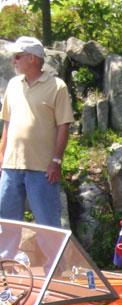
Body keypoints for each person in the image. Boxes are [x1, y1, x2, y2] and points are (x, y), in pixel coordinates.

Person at [0, 36, 74, 228]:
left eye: (17, 56)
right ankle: (7, 259)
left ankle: (52, 259)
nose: (13, 61)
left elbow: (63, 126)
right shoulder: (13, 85)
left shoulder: (58, 87)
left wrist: (56, 161)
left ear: (32, 58)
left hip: (43, 169)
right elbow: (7, 124)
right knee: (6, 225)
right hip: (11, 167)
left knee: (48, 226)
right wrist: (1, 157)